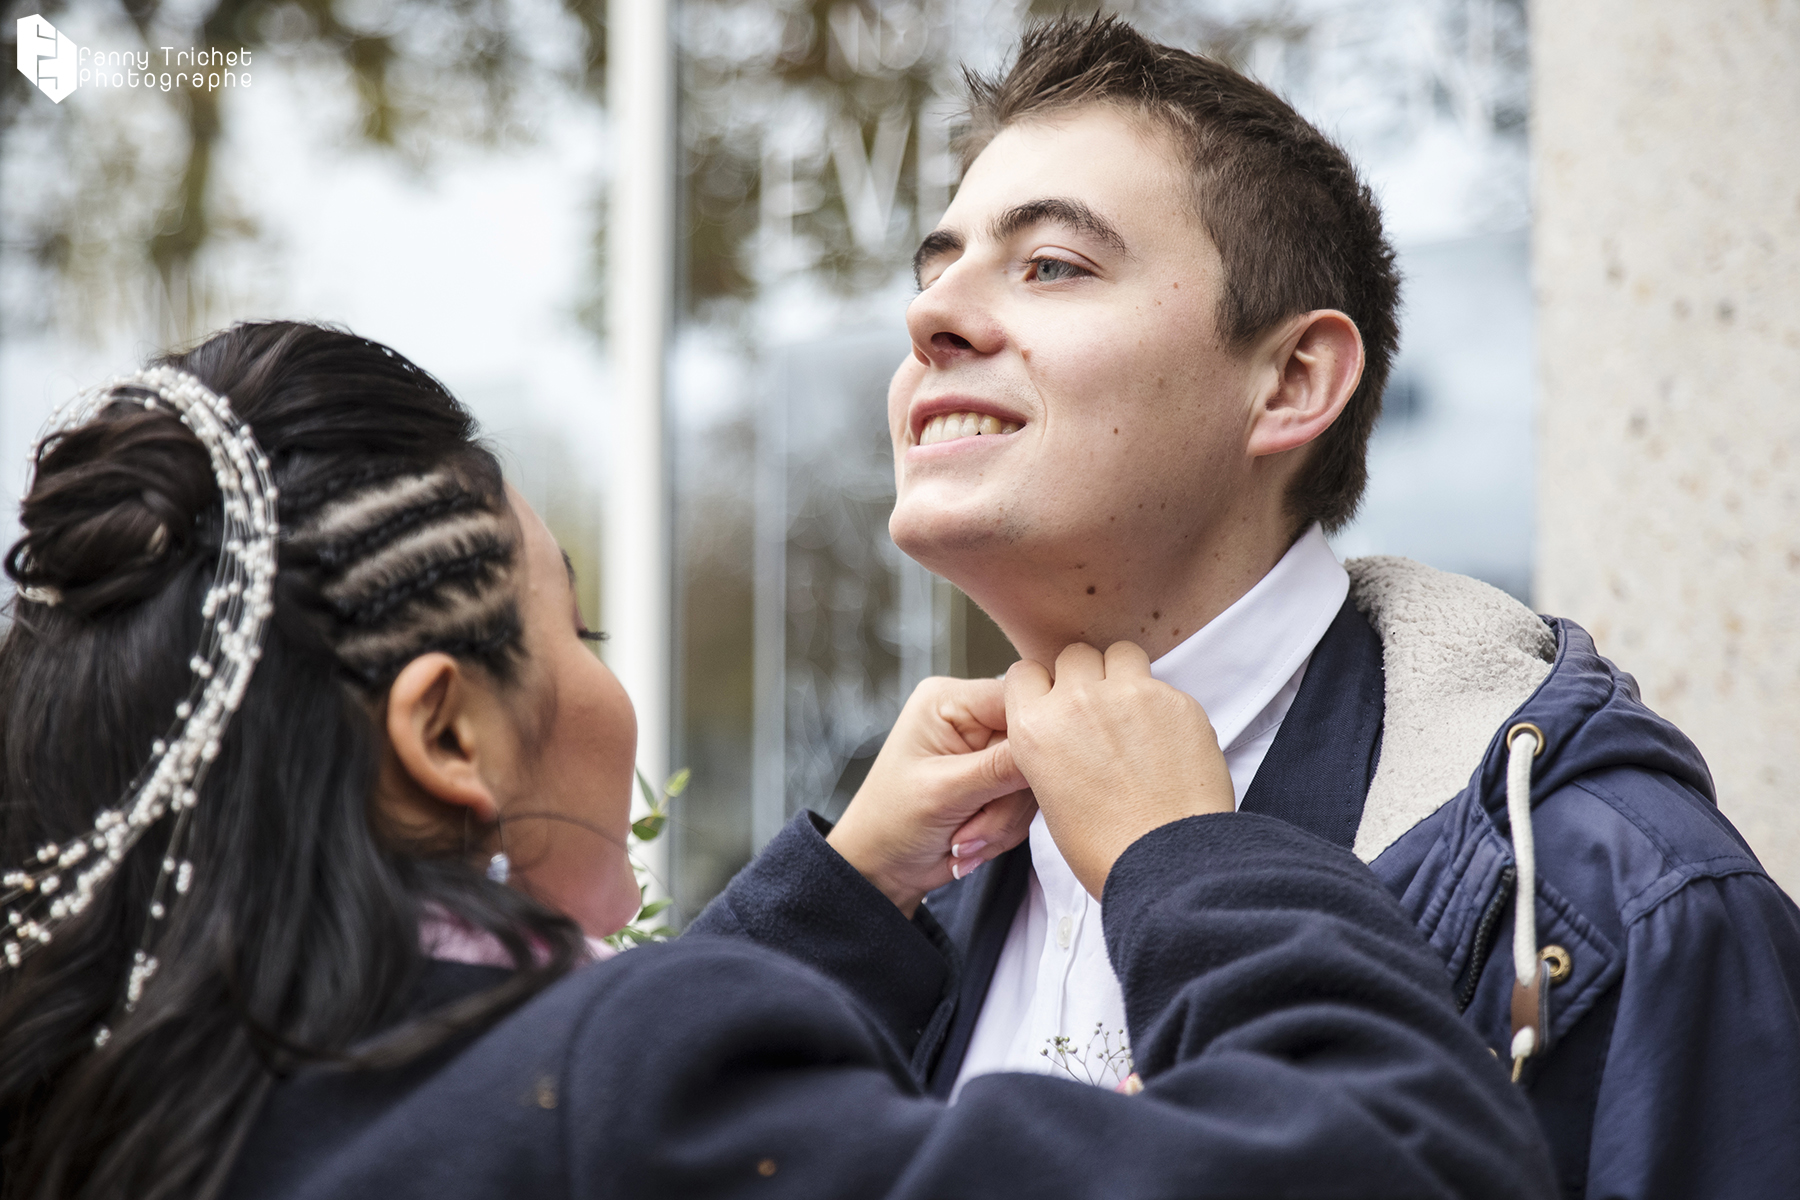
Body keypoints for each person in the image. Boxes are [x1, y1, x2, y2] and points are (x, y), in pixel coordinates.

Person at [0, 321, 1554, 1199]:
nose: (944, 325)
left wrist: (843, 891)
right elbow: (1413, 1169)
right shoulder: (607, 1108)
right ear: (446, 734)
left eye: (1059, 264)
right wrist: (1190, 861)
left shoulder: (113, 1119)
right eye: (579, 628)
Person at [709, 16, 1800, 1200]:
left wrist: (1182, 861)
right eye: (935, 270)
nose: (930, 321)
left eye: (1052, 266)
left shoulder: (1615, 895)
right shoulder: (903, 871)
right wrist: (832, 910)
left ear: (1289, 381)